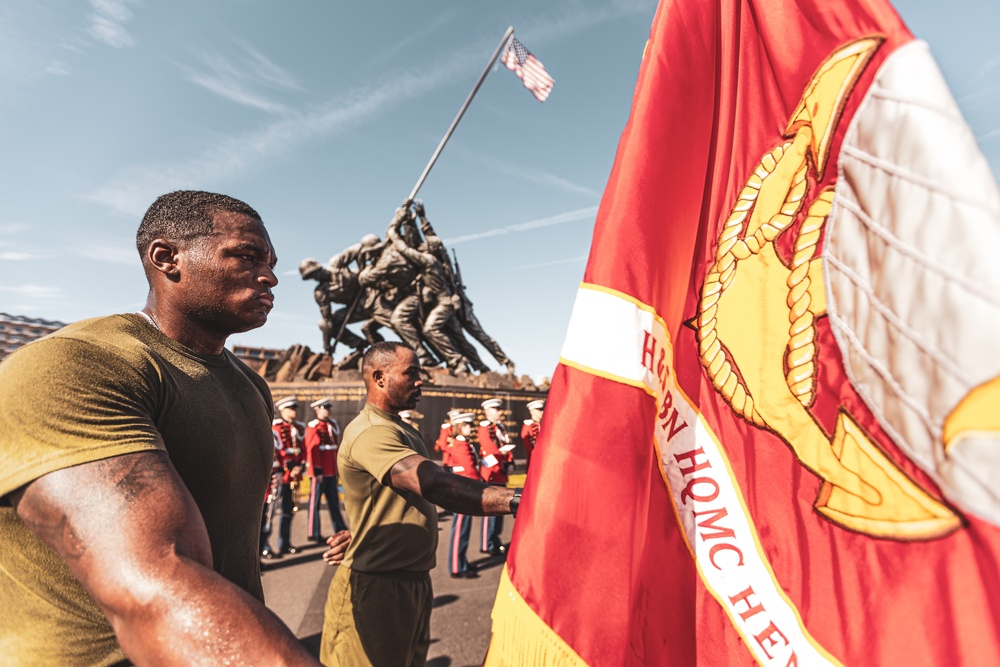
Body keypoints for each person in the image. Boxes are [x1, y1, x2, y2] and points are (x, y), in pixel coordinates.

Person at [0, 190, 348, 665]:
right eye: (247, 256)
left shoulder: (251, 386)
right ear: (167, 258)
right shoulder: (77, 364)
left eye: (270, 261)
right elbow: (154, 588)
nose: (269, 276)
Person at [320, 341, 522, 667]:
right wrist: (517, 501)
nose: (420, 381)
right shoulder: (372, 431)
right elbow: (434, 484)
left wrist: (363, 533)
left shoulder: (400, 428)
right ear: (379, 378)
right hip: (378, 586)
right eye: (410, 373)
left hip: (411, 581)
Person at [306, 398, 348, 542]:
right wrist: (317, 472)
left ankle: (340, 529)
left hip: (331, 471)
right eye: (324, 408)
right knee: (314, 504)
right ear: (317, 410)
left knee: (334, 503)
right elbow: (312, 450)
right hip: (319, 472)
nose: (327, 411)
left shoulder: (332, 424)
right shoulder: (313, 426)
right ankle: (314, 532)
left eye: (328, 409)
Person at [478, 398, 516, 556]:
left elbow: (505, 447)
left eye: (499, 409)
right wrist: (503, 458)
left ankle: (495, 539)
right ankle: (487, 543)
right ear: (487, 412)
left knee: (499, 509)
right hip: (491, 472)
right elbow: (490, 448)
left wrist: (509, 461)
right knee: (490, 510)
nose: (500, 412)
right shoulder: (484, 428)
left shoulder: (500, 427)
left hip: (500, 471)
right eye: (496, 409)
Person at [446, 412, 481, 578]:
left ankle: (461, 561)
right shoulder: (460, 444)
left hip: (464, 489)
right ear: (460, 428)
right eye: (468, 426)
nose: (471, 428)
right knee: (460, 528)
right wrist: (480, 484)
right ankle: (456, 567)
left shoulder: (465, 443)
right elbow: (469, 469)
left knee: (463, 529)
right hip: (462, 491)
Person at [273, 395, 307, 555]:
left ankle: (284, 543)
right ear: (282, 410)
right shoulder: (277, 428)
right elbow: (278, 452)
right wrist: (290, 468)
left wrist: (300, 467)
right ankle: (264, 547)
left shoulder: (299, 428)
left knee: (288, 510)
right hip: (281, 476)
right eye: (290, 408)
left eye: (295, 408)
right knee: (269, 513)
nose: (294, 411)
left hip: (294, 476)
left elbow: (303, 449)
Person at [521, 399, 545, 471]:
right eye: (539, 410)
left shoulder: (544, 425)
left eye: (542, 409)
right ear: (532, 411)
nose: (542, 412)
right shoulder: (527, 426)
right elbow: (528, 446)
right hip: (534, 461)